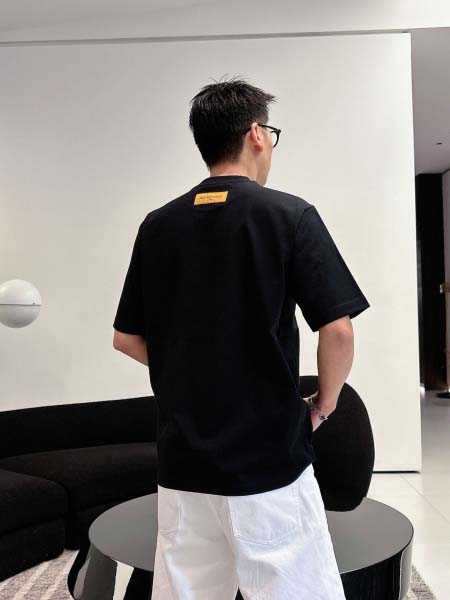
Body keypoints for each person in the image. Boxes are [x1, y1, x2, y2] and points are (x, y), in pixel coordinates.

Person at [112, 75, 370, 599]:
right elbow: (338, 330)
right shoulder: (289, 215)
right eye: (271, 134)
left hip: (183, 464)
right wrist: (323, 406)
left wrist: (189, 371)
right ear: (256, 134)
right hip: (269, 461)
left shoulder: (157, 226)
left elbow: (126, 338)